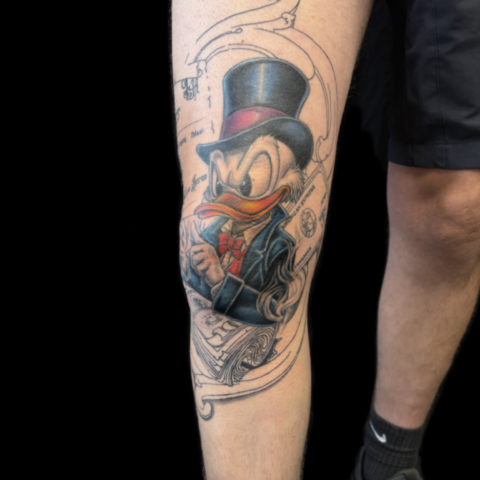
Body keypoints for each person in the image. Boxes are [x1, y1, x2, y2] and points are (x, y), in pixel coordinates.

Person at [172, 1, 480, 479]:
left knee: (454, 209)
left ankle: (387, 461)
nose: (233, 176)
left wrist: (222, 281)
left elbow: (269, 303)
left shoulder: (275, 242)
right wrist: (204, 272)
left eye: (254, 160)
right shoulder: (217, 219)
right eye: (229, 157)